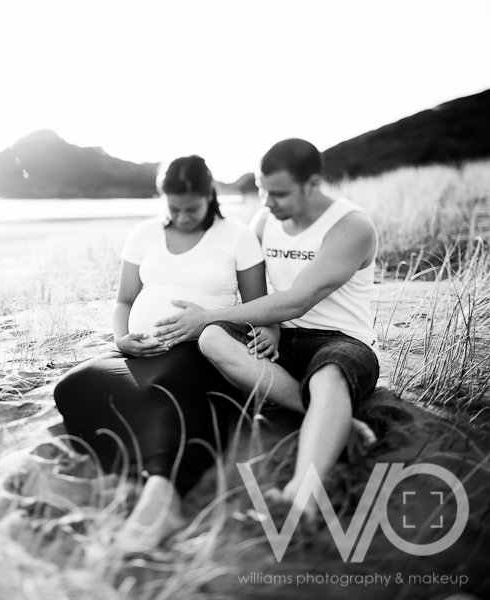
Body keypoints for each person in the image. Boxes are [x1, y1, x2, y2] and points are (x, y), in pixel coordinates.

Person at [53, 155, 277, 551]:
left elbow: (259, 308)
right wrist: (122, 339)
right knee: (75, 386)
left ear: (209, 195)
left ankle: (164, 492)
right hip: (142, 353)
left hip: (205, 347)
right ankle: (144, 455)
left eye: (192, 208)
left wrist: (244, 328)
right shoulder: (144, 235)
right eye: (173, 208)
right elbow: (124, 300)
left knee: (174, 388)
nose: (183, 216)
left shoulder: (238, 236)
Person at [153, 138, 380, 518]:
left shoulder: (351, 227)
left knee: (329, 373)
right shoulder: (264, 220)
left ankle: (302, 495)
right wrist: (262, 326)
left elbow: (296, 300)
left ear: (311, 184)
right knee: (212, 338)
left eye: (278, 193)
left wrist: (204, 314)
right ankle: (330, 418)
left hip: (341, 340)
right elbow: (254, 289)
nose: (267, 203)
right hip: (282, 337)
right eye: (261, 190)